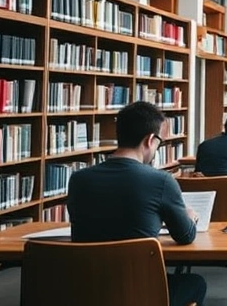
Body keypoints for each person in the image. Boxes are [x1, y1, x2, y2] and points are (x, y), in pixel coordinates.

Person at [67, 102, 206, 306]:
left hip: (86, 290)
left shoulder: (78, 179)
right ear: (150, 140)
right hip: (141, 292)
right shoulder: (162, 181)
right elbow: (185, 236)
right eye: (160, 142)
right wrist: (189, 216)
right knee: (196, 283)